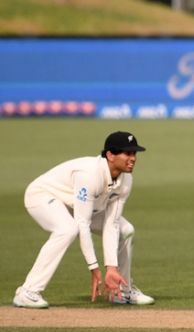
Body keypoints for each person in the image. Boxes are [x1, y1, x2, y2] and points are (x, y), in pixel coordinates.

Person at [14, 130, 154, 309]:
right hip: (43, 196)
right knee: (67, 229)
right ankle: (28, 292)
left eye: (134, 153)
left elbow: (112, 223)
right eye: (127, 153)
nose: (133, 158)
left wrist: (111, 268)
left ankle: (122, 291)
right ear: (110, 155)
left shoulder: (126, 180)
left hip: (76, 206)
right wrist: (94, 267)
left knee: (126, 231)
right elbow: (83, 223)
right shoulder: (89, 174)